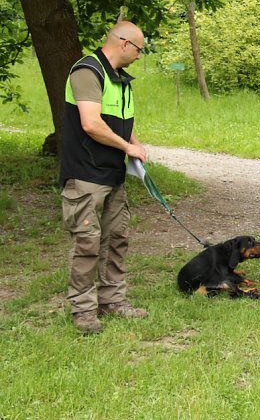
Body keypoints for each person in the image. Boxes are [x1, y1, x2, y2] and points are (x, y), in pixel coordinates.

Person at [60, 20, 150, 334]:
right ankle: (83, 311)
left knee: (116, 239)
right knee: (87, 243)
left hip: (114, 176)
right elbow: (91, 123)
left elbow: (119, 120)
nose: (140, 56)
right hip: (85, 174)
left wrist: (134, 142)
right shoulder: (87, 71)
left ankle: (113, 300)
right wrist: (127, 146)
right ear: (124, 43)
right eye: (139, 49)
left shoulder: (121, 80)